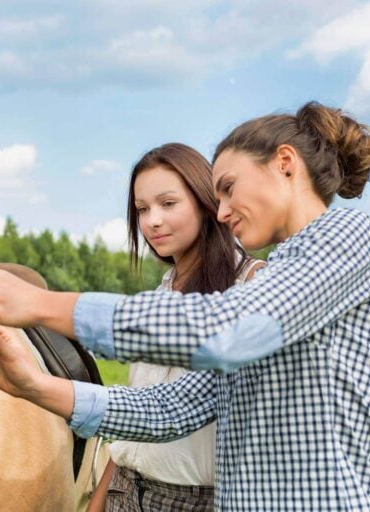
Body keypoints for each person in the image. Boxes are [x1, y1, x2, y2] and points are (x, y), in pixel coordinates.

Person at [0, 101, 370, 511]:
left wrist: (41, 304)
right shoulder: (279, 286)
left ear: (285, 163)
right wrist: (32, 385)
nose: (223, 210)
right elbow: (169, 410)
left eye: (229, 188)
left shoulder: (348, 236)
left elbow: (228, 330)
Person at [84, 142, 264, 511]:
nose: (152, 221)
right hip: (126, 490)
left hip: (197, 500)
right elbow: (139, 416)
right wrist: (99, 500)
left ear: (204, 201)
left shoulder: (254, 287)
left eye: (168, 204)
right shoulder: (160, 293)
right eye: (141, 210)